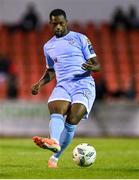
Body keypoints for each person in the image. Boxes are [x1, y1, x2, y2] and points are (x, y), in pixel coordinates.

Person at [31, 9, 100, 168]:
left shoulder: (80, 38)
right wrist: (39, 84)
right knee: (55, 108)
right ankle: (54, 141)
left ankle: (55, 157)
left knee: (72, 119)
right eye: (55, 24)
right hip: (63, 84)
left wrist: (92, 66)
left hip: (83, 83)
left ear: (66, 22)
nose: (58, 27)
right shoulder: (48, 46)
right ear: (50, 24)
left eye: (61, 23)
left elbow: (97, 64)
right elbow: (51, 71)